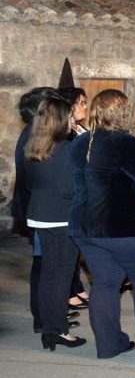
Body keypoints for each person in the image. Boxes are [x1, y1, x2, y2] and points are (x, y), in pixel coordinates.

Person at [69, 89, 135, 359]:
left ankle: (110, 345)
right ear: (123, 112)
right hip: (124, 227)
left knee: (105, 282)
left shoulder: (79, 143)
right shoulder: (126, 143)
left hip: (85, 228)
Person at [24, 94, 86, 350]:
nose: (72, 119)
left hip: (40, 215)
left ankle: (48, 328)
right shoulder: (65, 149)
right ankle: (58, 329)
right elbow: (68, 188)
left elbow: (29, 183)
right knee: (60, 276)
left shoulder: (34, 145)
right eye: (69, 115)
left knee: (49, 273)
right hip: (62, 218)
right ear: (61, 120)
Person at [11, 87, 64, 334]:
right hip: (43, 210)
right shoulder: (34, 135)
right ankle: (44, 317)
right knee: (44, 266)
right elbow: (29, 179)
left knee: (45, 265)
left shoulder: (35, 133)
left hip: (38, 209)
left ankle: (46, 314)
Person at [58, 86, 90, 311]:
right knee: (67, 250)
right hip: (71, 198)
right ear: (69, 105)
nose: (85, 107)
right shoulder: (64, 133)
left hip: (84, 196)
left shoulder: (79, 127)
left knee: (76, 249)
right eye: (81, 102)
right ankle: (69, 291)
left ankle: (76, 286)